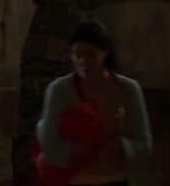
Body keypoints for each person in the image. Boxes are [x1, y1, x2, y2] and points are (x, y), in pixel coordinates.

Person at [34, 20, 152, 186]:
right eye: (77, 54)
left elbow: (144, 143)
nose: (83, 61)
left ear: (105, 53)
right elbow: (50, 143)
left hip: (114, 179)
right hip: (73, 180)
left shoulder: (128, 89)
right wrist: (85, 148)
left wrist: (119, 147)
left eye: (91, 54)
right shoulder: (59, 90)